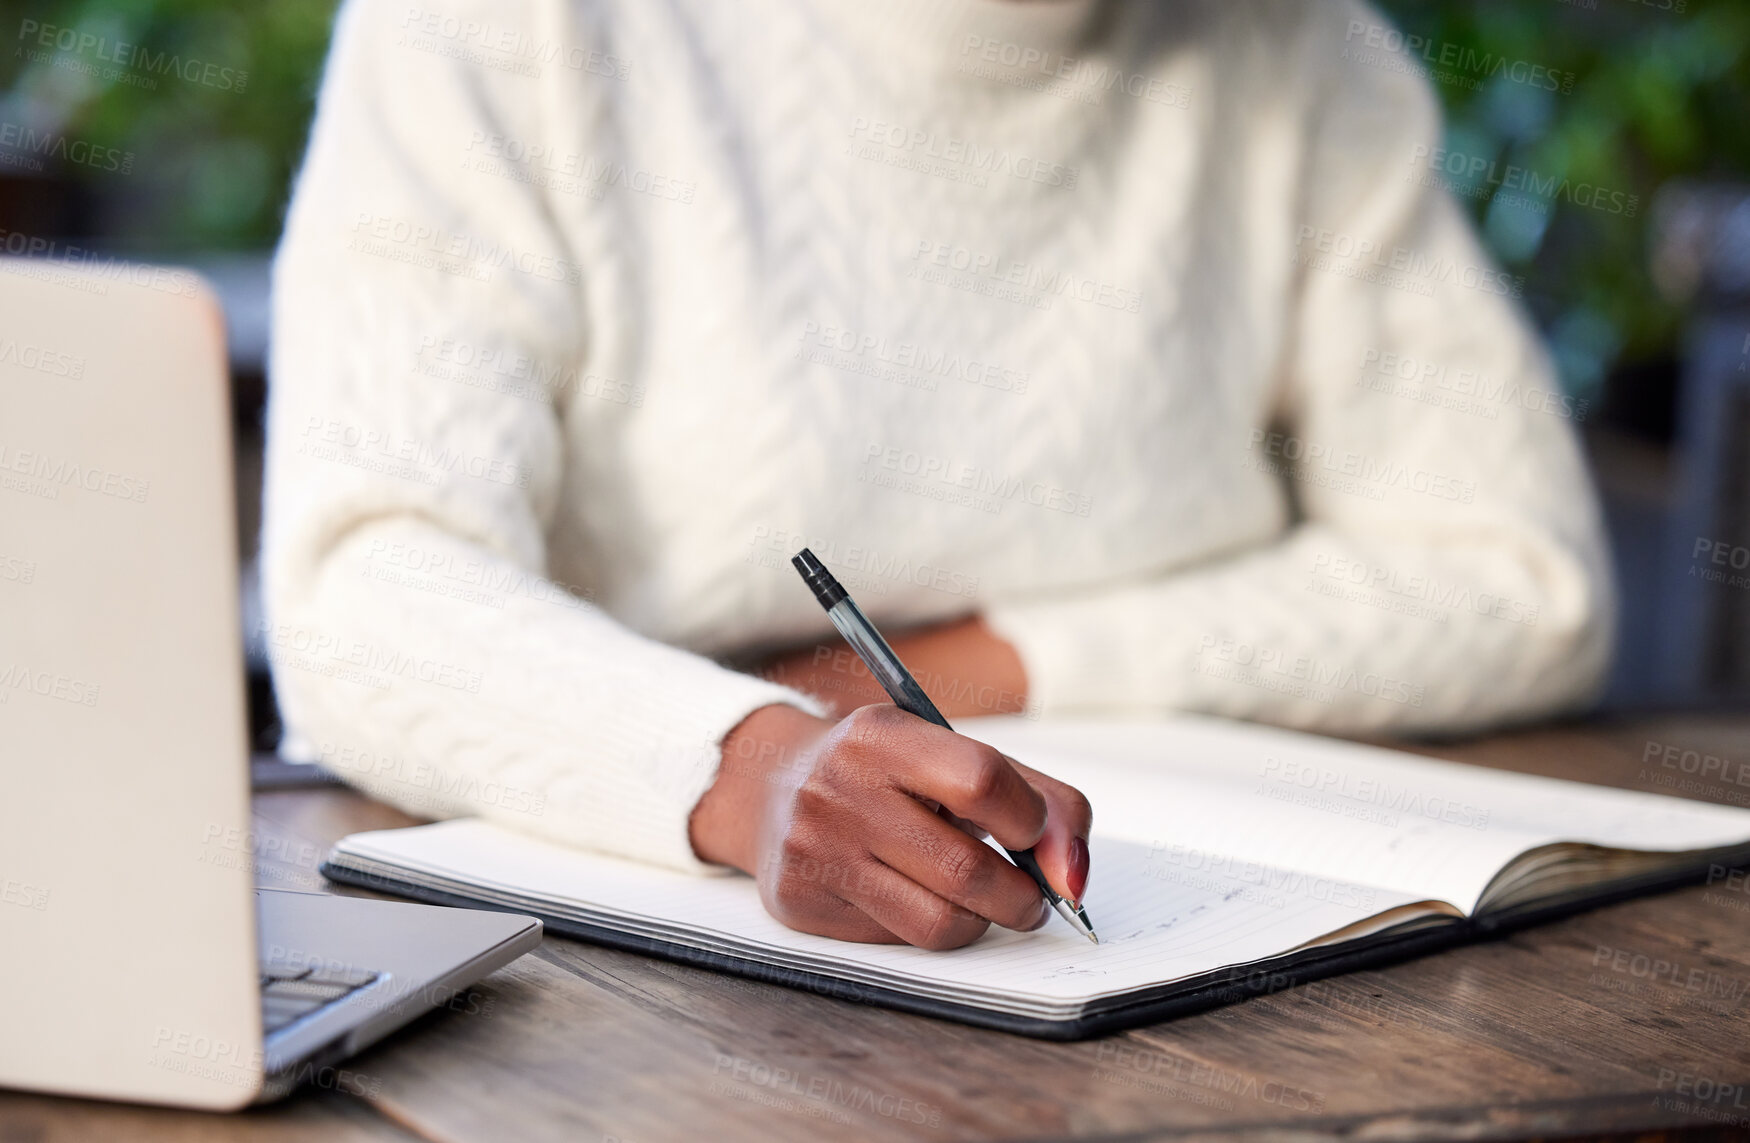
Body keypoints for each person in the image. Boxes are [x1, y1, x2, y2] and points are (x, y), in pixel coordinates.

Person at [263, 0, 1614, 951]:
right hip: (561, 917)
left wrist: (979, 668)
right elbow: (363, 585)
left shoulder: (1305, 56)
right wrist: (750, 764)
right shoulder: (519, 27)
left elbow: (1516, 581)